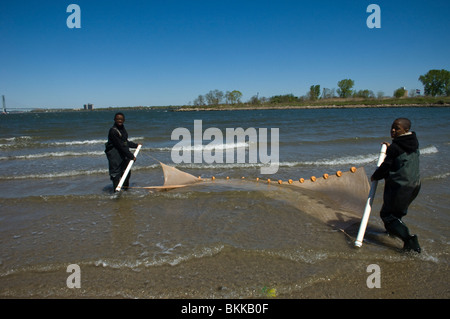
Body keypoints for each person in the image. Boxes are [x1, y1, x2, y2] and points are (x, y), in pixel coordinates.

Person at [371, 118, 421, 253]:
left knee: (388, 216)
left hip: (401, 187)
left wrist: (375, 176)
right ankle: (392, 233)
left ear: (405, 130)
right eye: (392, 127)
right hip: (414, 185)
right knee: (397, 213)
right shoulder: (413, 142)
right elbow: (400, 154)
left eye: (397, 128)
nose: (393, 130)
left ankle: (410, 240)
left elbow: (386, 167)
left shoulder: (396, 148)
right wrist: (390, 148)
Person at [105, 112, 141, 191]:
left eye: (121, 119)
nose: (119, 120)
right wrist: (131, 156)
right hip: (114, 154)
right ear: (114, 120)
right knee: (115, 174)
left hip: (123, 153)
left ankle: (125, 190)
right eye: (118, 119)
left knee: (126, 172)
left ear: (124, 120)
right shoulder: (113, 131)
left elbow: (125, 142)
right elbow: (120, 145)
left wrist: (135, 145)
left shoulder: (122, 129)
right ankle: (116, 192)